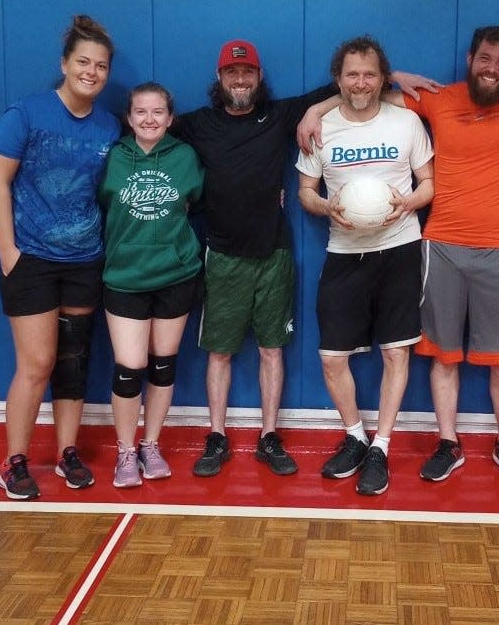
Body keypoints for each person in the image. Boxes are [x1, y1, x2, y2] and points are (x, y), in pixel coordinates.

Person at [298, 24, 499, 484]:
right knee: (444, 356)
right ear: (470, 59)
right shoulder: (438, 99)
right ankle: (448, 443)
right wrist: (315, 110)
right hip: (439, 244)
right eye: (486, 59)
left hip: (498, 247)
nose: (493, 69)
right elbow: (364, 97)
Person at [173, 39, 432, 478]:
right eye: (232, 73)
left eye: (248, 73)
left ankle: (358, 446)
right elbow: (150, 132)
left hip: (334, 250)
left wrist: (406, 202)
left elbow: (341, 98)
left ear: (259, 77)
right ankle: (228, 437)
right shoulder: (199, 124)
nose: (240, 79)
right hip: (247, 254)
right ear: (219, 78)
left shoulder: (288, 116)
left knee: (375, 352)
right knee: (272, 354)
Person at [0, 15, 120, 500]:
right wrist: (9, 252)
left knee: (73, 363)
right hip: (33, 262)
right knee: (37, 363)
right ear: (65, 64)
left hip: (85, 258)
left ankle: (67, 454)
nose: (92, 72)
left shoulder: (108, 125)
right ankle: (14, 462)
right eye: (83, 62)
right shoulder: (26, 113)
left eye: (101, 66)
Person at [296, 35, 434, 495]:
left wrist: (409, 203)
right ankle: (355, 435)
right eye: (352, 74)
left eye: (370, 74)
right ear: (338, 79)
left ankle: (382, 446)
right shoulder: (322, 126)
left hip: (398, 248)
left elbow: (428, 183)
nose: (361, 82)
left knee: (396, 351)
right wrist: (324, 207)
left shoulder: (406, 122)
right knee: (332, 357)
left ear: (382, 77)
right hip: (344, 252)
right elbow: (304, 191)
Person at [99, 82, 204, 488]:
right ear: (129, 118)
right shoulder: (114, 158)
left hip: (175, 275)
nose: (149, 119)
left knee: (163, 366)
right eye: (141, 112)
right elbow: (104, 202)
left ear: (170, 117)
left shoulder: (185, 157)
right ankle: (126, 451)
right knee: (130, 369)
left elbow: (195, 201)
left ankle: (151, 444)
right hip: (125, 277)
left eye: (158, 112)